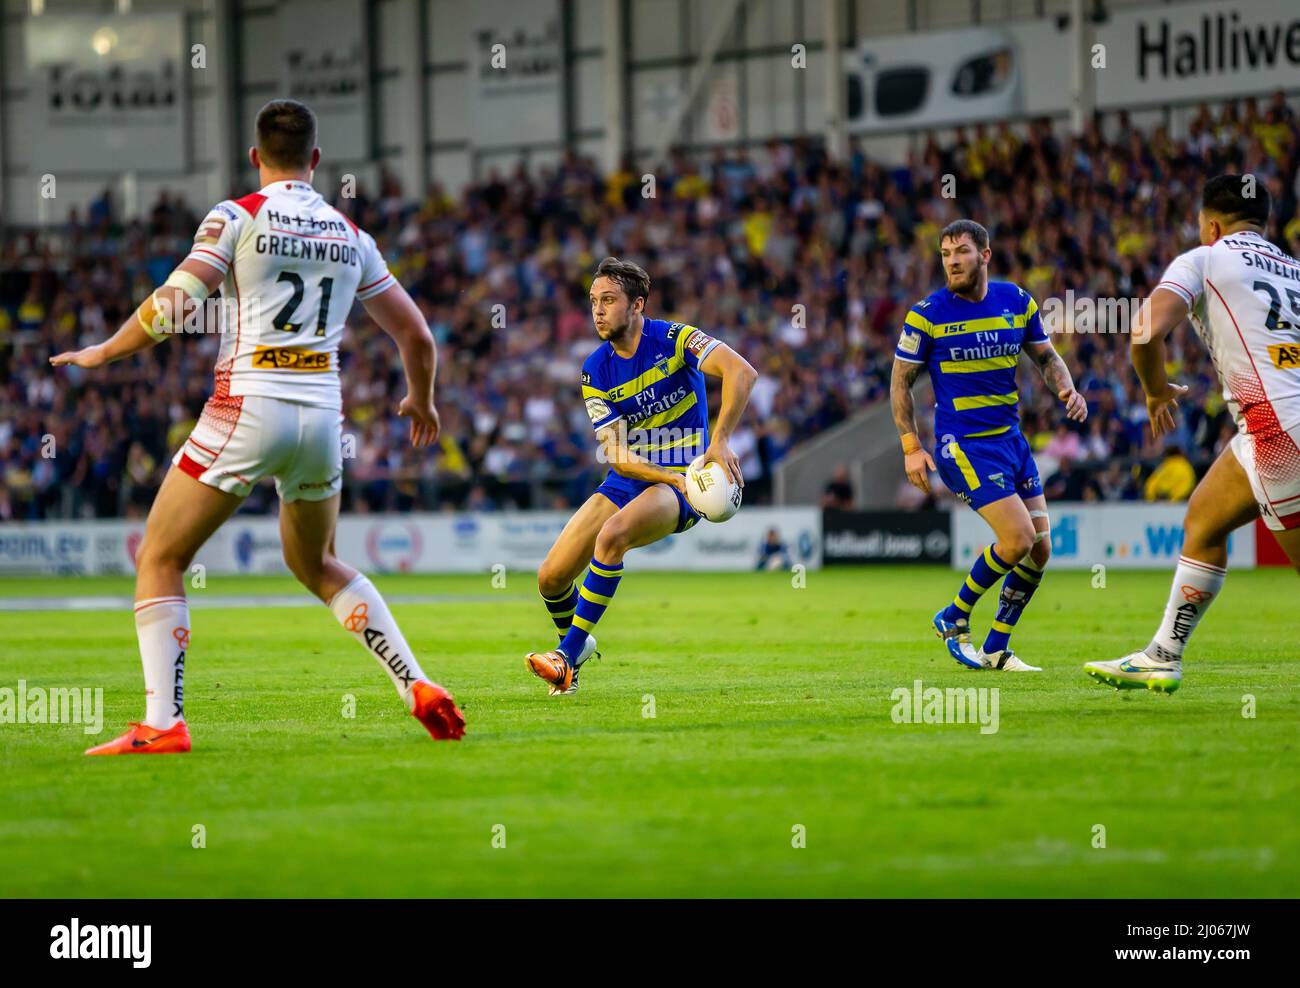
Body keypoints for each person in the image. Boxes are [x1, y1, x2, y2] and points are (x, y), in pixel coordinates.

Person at [50, 99, 465, 753]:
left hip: (247, 404)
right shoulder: (350, 235)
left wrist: (105, 350)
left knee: (159, 556)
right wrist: (422, 400)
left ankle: (164, 723)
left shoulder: (237, 216)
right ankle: (415, 682)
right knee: (318, 562)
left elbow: (174, 305)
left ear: (255, 156)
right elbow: (415, 333)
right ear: (317, 160)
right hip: (322, 420)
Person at [1086, 175, 1300, 693]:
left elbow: (1144, 333)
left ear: (1210, 225)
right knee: (1203, 521)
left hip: (1278, 433)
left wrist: (1156, 391)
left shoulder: (1205, 258)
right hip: (1263, 427)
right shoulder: (1294, 271)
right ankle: (1163, 655)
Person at [527, 257, 756, 694]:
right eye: (593, 301)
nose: (597, 310)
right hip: (634, 478)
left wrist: (720, 441)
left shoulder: (675, 339)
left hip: (690, 480)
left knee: (612, 537)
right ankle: (574, 651)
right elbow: (615, 453)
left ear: (637, 305)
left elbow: (741, 371)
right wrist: (662, 477)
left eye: (608, 300)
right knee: (550, 578)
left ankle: (566, 656)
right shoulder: (594, 369)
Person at [891, 219, 1087, 672]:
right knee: (1017, 539)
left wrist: (1067, 390)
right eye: (945, 254)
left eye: (961, 251)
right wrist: (909, 445)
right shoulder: (927, 313)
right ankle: (954, 615)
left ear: (985, 255)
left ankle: (997, 647)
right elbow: (900, 382)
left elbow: (1047, 357)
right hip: (964, 445)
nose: (952, 261)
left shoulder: (1016, 301)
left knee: (1040, 549)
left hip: (1012, 442)